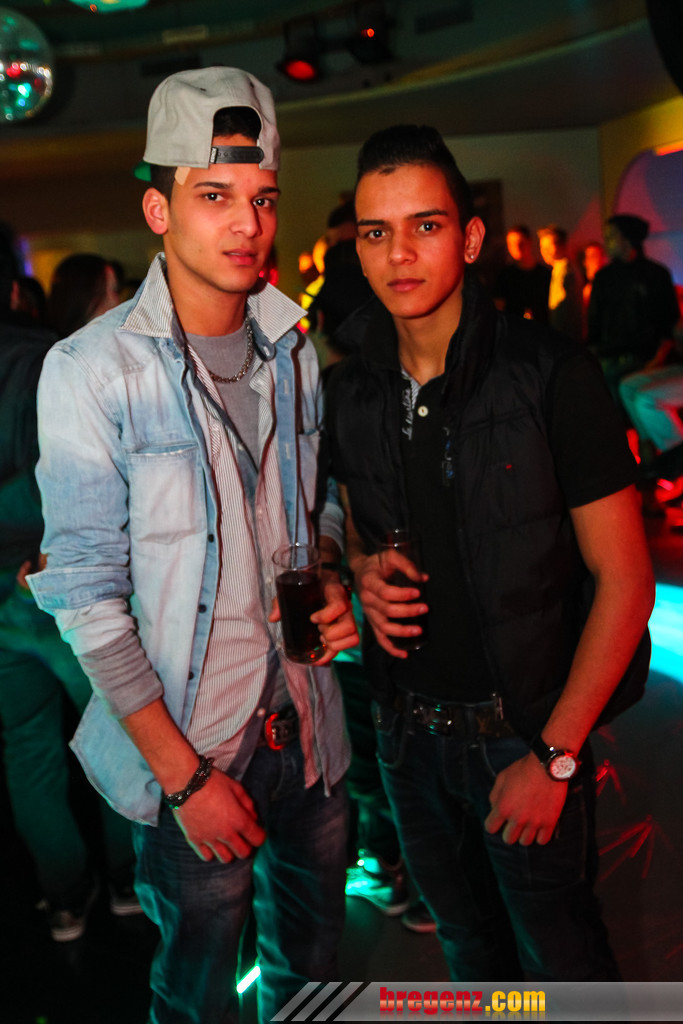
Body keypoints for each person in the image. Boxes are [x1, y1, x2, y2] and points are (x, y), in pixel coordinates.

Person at [28, 66, 357, 1024]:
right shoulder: (91, 371)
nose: (247, 223)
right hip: (196, 754)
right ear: (158, 210)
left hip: (312, 731)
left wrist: (330, 568)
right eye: (214, 196)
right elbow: (86, 598)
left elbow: (318, 505)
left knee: (315, 973)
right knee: (200, 994)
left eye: (263, 198)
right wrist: (185, 782)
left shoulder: (294, 347)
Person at [325, 124, 655, 982]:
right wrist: (358, 570)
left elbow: (626, 580)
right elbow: (349, 527)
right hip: (405, 739)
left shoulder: (549, 374)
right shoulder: (347, 390)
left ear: (469, 239)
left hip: (524, 735)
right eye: (376, 232)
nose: (399, 253)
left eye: (425, 226)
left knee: (563, 960)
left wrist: (554, 756)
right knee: (469, 953)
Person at [0, 237, 138, 942]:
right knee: (116, 731)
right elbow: (60, 475)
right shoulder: (44, 360)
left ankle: (63, 896)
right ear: (16, 291)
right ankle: (127, 880)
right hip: (48, 576)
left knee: (28, 752)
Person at [587, 213, 680, 406]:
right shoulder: (604, 277)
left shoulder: (656, 275)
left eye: (611, 236)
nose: (606, 242)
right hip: (610, 359)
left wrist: (659, 356)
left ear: (627, 239)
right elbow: (594, 321)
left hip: (646, 359)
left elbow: (669, 320)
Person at [492, 224, 550, 324]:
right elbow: (498, 308)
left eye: (521, 243)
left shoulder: (545, 274)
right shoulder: (505, 276)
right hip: (513, 328)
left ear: (529, 242)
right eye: (511, 244)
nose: (516, 248)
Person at [537, 224, 583, 342]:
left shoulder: (565, 272)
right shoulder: (559, 269)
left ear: (562, 245)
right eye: (542, 247)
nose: (545, 251)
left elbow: (561, 312)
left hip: (566, 339)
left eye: (549, 246)